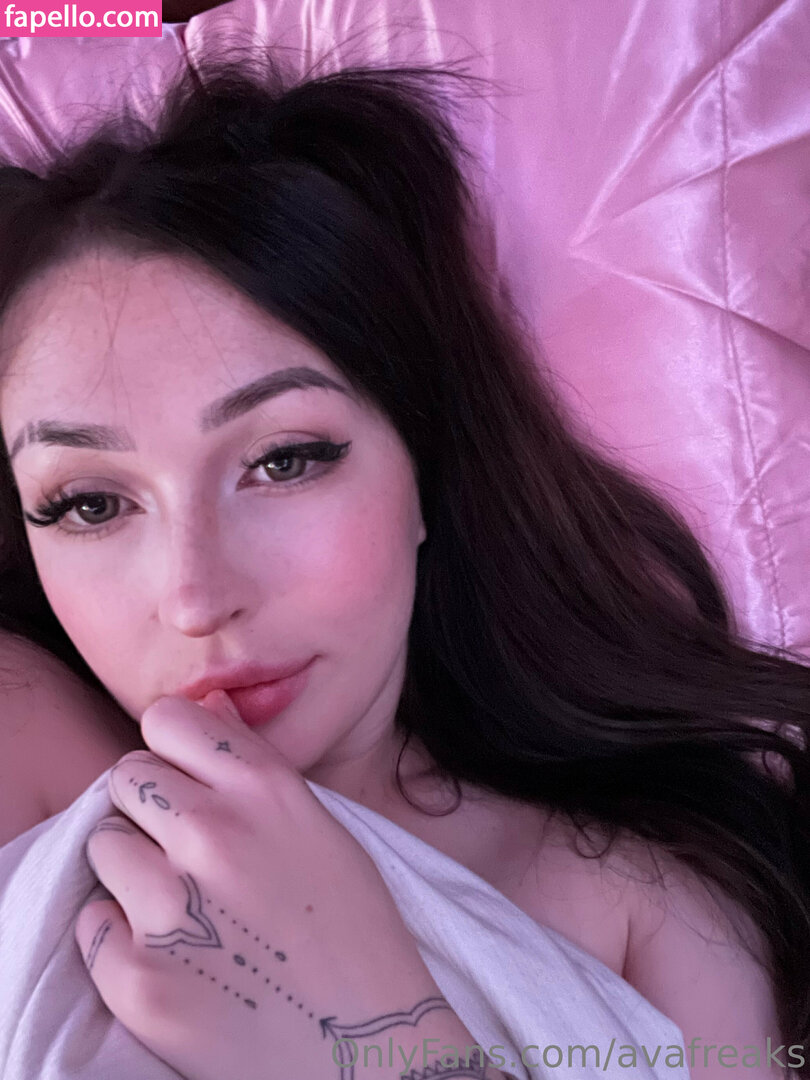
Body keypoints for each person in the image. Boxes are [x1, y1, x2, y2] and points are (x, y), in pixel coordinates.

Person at [0, 50, 808, 1080]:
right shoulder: (26, 734)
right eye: (90, 504)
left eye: (284, 460)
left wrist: (392, 1040)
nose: (195, 597)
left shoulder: (651, 911)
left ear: (422, 467)